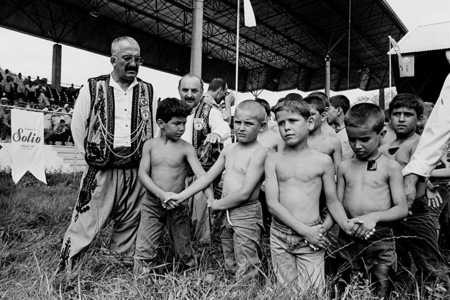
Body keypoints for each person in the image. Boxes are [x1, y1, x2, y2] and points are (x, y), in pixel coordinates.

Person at [57, 36, 157, 274]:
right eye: (127, 58)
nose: (133, 64)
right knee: (85, 220)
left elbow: (153, 126)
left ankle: (115, 268)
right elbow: (78, 127)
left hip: (135, 170)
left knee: (131, 220)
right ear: (113, 60)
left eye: (137, 59)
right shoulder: (92, 87)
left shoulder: (148, 90)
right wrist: (91, 159)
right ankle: (67, 270)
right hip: (101, 170)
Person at [166, 100, 267, 281]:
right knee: (228, 252)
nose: (241, 128)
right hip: (226, 209)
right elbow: (206, 177)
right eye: (238, 122)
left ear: (262, 126)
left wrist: (216, 204)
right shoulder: (229, 149)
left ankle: (247, 290)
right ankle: (233, 285)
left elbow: (245, 192)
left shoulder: (259, 153)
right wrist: (180, 196)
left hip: (246, 212)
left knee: (246, 256)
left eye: (249, 123)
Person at [264, 99, 353, 293]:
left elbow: (333, 201)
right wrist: (305, 231)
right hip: (280, 234)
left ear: (310, 123)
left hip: (312, 238)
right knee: (285, 291)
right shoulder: (273, 161)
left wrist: (342, 225)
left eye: (293, 121)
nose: (286, 127)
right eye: (281, 123)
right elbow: (272, 203)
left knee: (312, 291)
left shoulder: (323, 162)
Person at [133, 98, 214, 276]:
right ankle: (140, 282)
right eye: (177, 123)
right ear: (161, 123)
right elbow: (142, 175)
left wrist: (209, 198)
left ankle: (192, 277)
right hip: (152, 204)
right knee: (144, 248)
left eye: (184, 123)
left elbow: (202, 176)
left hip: (177, 206)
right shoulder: (150, 145)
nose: (182, 128)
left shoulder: (187, 148)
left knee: (184, 249)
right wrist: (162, 195)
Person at [380, 94, 450, 288]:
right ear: (390, 117)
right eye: (396, 114)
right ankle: (405, 293)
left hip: (416, 212)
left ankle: (441, 293)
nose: (401, 119)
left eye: (408, 114)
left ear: (419, 119)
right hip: (391, 210)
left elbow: (420, 172)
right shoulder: (384, 147)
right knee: (398, 261)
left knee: (430, 262)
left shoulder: (420, 145)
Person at [338, 102, 408, 298]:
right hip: (349, 233)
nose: (357, 146)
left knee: (381, 286)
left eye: (365, 139)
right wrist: (345, 224)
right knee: (348, 286)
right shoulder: (344, 167)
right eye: (352, 139)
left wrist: (374, 217)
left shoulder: (390, 167)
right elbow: (336, 201)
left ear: (382, 135)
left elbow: (401, 209)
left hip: (380, 235)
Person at [178, 74, 231, 245]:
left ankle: (201, 249)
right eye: (185, 90)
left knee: (199, 212)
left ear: (202, 92)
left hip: (200, 173)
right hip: (176, 171)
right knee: (178, 211)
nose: (189, 94)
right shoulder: (173, 110)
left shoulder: (210, 111)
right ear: (179, 91)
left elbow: (224, 126)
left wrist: (216, 133)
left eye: (194, 91)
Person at [303, 95, 342, 170]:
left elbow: (338, 173)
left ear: (323, 116)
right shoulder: (297, 141)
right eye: (303, 115)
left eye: (311, 114)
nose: (308, 119)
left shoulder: (333, 143)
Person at [327, 95, 353, 160]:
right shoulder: (330, 130)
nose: (326, 113)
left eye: (328, 109)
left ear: (338, 110)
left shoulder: (350, 133)